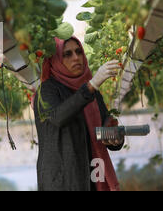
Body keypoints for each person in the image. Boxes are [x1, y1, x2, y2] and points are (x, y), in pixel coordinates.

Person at [32, 36, 124, 191]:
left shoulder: (92, 92)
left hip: (93, 178)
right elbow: (57, 117)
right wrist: (91, 85)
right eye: (67, 54)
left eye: (79, 52)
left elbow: (103, 130)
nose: (76, 58)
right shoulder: (47, 90)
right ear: (56, 60)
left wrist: (115, 138)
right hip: (61, 182)